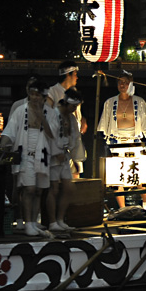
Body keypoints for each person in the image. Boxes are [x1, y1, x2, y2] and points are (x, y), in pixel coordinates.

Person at [0, 80, 54, 237]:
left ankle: (34, 222)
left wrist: (41, 116)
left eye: (38, 95)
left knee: (39, 190)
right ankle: (28, 223)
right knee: (28, 189)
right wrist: (3, 145)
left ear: (43, 96)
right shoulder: (21, 110)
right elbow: (10, 131)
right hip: (24, 153)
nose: (34, 98)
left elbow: (52, 134)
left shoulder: (50, 112)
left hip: (42, 154)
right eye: (32, 94)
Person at [97, 70, 146, 211]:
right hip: (116, 141)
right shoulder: (109, 102)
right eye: (120, 82)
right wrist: (102, 136)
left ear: (131, 84)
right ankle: (123, 208)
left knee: (139, 173)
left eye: (125, 82)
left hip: (135, 140)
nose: (122, 85)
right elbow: (103, 125)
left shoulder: (139, 102)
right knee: (118, 176)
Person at [46, 88, 85, 232]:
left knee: (69, 188)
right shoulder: (54, 114)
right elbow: (49, 135)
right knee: (54, 188)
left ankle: (60, 219)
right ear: (67, 103)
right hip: (53, 155)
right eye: (73, 106)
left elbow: (75, 137)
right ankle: (52, 222)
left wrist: (75, 158)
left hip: (65, 155)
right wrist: (56, 153)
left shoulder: (71, 117)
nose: (74, 109)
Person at [47, 61, 87, 178]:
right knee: (57, 180)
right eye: (75, 74)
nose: (77, 77)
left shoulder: (74, 92)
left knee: (75, 175)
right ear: (68, 74)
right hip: (58, 143)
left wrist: (82, 120)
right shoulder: (52, 91)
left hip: (74, 138)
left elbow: (77, 113)